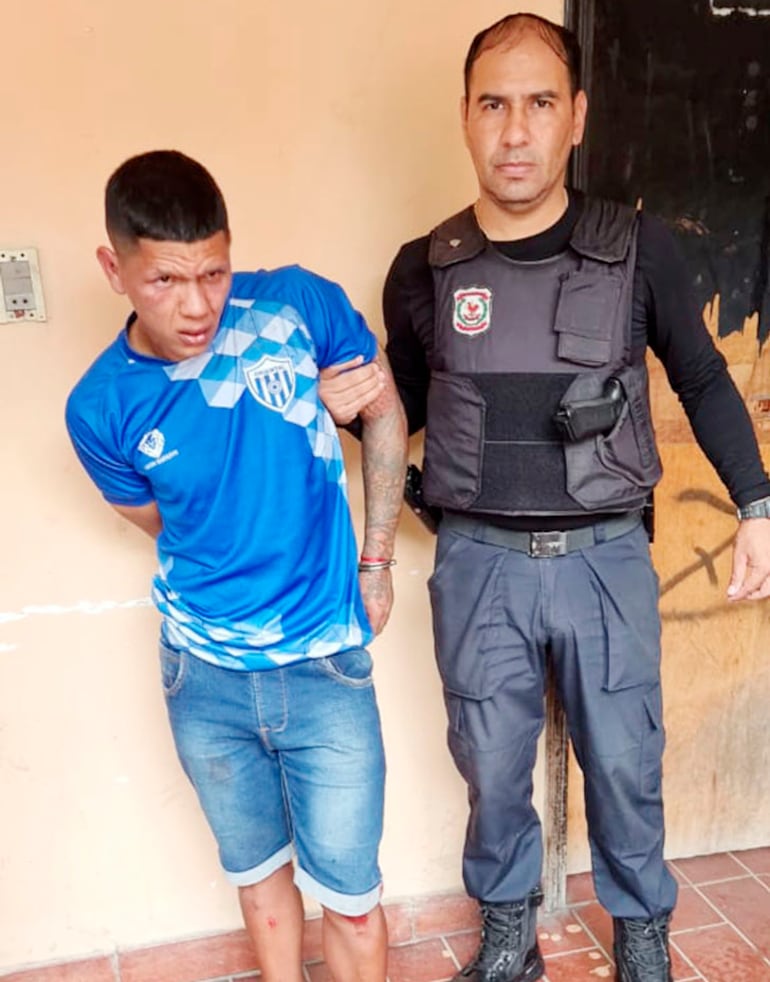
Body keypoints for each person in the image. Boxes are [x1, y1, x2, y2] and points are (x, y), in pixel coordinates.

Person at [318, 13, 770, 982]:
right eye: (492, 105)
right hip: (477, 560)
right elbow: (399, 407)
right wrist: (349, 408)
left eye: (537, 104)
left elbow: (699, 376)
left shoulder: (639, 247)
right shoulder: (423, 267)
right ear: (464, 116)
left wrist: (756, 505)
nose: (514, 131)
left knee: (624, 762)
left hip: (605, 557)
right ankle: (509, 932)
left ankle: (640, 933)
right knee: (488, 764)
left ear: (576, 117)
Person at [65, 150, 407, 982]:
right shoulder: (100, 407)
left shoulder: (298, 304)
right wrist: (286, 424)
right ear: (115, 269)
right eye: (165, 281)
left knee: (352, 898)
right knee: (259, 882)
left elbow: (385, 412)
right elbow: (172, 523)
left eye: (214, 273)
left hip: (324, 667)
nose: (197, 306)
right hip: (204, 678)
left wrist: (376, 558)